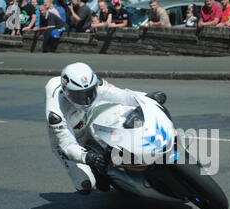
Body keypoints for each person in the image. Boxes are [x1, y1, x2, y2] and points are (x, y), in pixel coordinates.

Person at [45, 62, 167, 194]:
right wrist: (87, 157)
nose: (86, 99)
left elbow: (122, 95)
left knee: (119, 121)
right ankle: (102, 175)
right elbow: (67, 145)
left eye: (89, 93)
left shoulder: (97, 84)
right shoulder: (56, 113)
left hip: (88, 119)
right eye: (79, 96)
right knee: (85, 185)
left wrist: (148, 97)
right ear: (66, 92)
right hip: (71, 137)